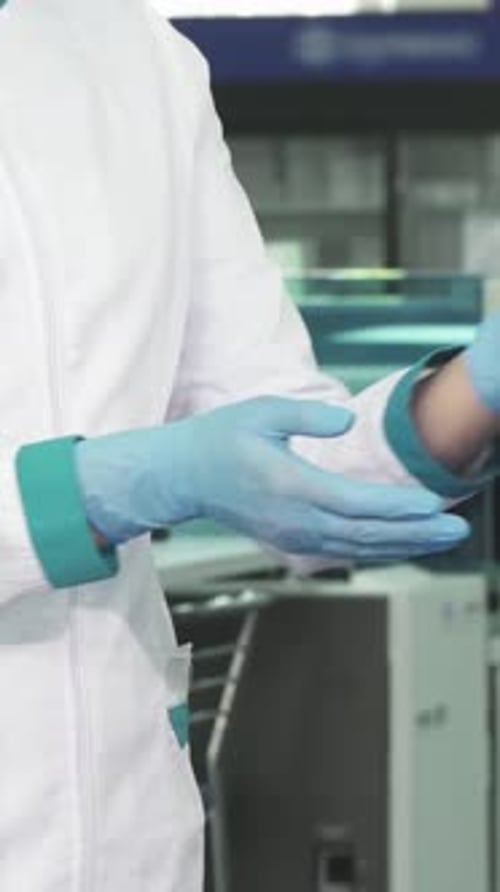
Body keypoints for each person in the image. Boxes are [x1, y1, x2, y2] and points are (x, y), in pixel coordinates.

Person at [1, 2, 498, 890]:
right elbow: (182, 469)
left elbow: (288, 453)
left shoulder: (138, 56)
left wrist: (474, 390)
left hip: (129, 842)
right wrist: (102, 487)